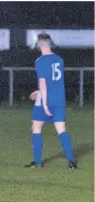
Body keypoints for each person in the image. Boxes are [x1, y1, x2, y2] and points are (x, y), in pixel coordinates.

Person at [26, 33, 77, 169]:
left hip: (45, 99)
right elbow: (53, 81)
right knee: (61, 129)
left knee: (36, 128)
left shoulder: (40, 61)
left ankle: (37, 162)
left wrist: (44, 102)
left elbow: (43, 83)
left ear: (39, 45)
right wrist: (39, 92)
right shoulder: (59, 59)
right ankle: (71, 161)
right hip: (59, 99)